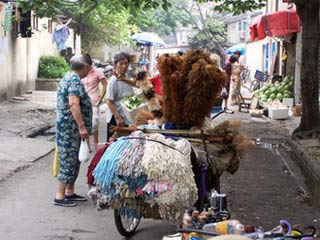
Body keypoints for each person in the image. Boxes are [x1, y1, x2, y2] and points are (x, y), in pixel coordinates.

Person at [54, 54, 92, 207]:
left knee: (74, 159)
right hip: (70, 128)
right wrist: (82, 126)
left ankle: (69, 191)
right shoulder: (75, 80)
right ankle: (60, 195)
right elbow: (74, 104)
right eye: (89, 67)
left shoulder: (68, 77)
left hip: (69, 127)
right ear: (85, 66)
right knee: (68, 160)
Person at [106, 52, 135, 142]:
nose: (124, 66)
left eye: (126, 63)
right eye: (121, 63)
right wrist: (118, 117)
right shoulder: (113, 81)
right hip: (117, 118)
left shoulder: (127, 77)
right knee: (113, 144)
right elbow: (109, 101)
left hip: (128, 117)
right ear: (115, 65)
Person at [81, 54, 107, 152]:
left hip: (94, 101)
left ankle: (96, 141)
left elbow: (105, 84)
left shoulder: (98, 72)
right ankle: (87, 145)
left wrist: (101, 96)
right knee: (84, 122)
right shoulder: (81, 72)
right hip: (83, 101)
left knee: (94, 122)